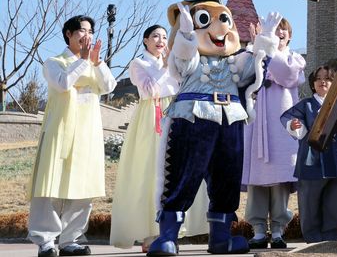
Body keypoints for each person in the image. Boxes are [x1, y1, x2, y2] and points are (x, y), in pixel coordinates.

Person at [147, 0, 267, 256]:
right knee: (183, 175)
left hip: (230, 120)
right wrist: (186, 37)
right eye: (206, 20)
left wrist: (261, 46)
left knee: (228, 178)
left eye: (224, 19)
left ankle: (221, 237)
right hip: (193, 118)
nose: (220, 27)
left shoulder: (234, 60)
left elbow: (252, 75)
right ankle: (168, 235)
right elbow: (182, 62)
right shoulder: (190, 58)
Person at [110, 25, 207, 251]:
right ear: (145, 40)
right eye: (155, 36)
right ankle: (150, 232)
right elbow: (149, 90)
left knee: (175, 170)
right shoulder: (138, 64)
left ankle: (170, 230)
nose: (161, 40)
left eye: (164, 36)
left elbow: (184, 84)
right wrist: (165, 68)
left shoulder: (173, 63)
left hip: (175, 113)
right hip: (150, 119)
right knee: (150, 172)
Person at [27, 15, 117, 257]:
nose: (87, 36)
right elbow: (64, 83)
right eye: (82, 31)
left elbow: (109, 86)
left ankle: (70, 240)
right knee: (50, 186)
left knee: (83, 187)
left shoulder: (93, 64)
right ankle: (46, 242)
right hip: (59, 132)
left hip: (87, 136)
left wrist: (97, 63)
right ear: (69, 34)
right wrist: (84, 61)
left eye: (90, 31)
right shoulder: (54, 62)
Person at [243, 17, 305, 250]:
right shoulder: (254, 54)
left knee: (280, 178)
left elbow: (288, 75)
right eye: (275, 29)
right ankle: (258, 230)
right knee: (257, 179)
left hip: (282, 127)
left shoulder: (294, 58)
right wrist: (256, 47)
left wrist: (268, 48)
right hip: (256, 125)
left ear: (290, 36)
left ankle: (278, 229)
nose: (279, 32)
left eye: (283, 29)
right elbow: (243, 76)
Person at [280, 66, 337, 243]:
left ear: (335, 83)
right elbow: (288, 118)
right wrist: (295, 125)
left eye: (328, 79)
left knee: (335, 202)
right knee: (309, 202)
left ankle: (332, 238)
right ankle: (312, 237)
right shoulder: (305, 105)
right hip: (311, 160)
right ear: (312, 83)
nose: (323, 82)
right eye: (319, 78)